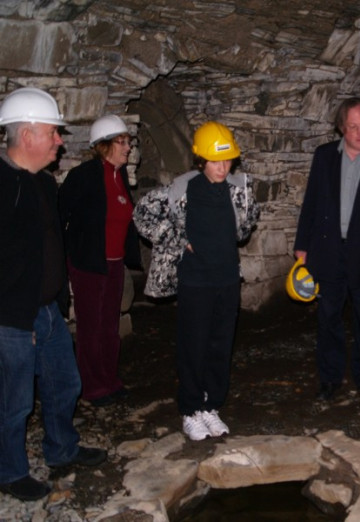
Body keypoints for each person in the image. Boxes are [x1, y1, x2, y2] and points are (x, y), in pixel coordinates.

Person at [0, 87, 107, 502]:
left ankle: (62, 449)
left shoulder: (45, 183)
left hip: (47, 310)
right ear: (27, 135)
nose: (60, 141)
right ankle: (10, 471)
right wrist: (14, 316)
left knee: (65, 383)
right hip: (12, 317)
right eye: (53, 132)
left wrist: (60, 300)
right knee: (14, 401)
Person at [133, 121, 260, 441]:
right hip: (195, 281)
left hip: (227, 279)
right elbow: (142, 213)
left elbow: (244, 229)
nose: (222, 167)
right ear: (201, 159)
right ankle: (190, 409)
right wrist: (178, 239)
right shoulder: (182, 188)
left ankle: (210, 405)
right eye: (215, 161)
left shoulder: (239, 188)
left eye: (227, 160)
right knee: (194, 346)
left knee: (221, 345)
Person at [293, 97, 360, 404]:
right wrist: (302, 244)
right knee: (328, 318)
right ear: (341, 127)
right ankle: (330, 378)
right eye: (353, 127)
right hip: (327, 249)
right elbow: (311, 202)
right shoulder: (324, 156)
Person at [59, 115, 141, 407]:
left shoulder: (120, 176)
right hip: (88, 264)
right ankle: (91, 386)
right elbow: (60, 216)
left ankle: (109, 380)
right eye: (122, 142)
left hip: (114, 263)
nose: (128, 147)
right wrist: (67, 257)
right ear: (104, 145)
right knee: (90, 328)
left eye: (129, 141)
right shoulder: (83, 176)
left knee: (109, 326)